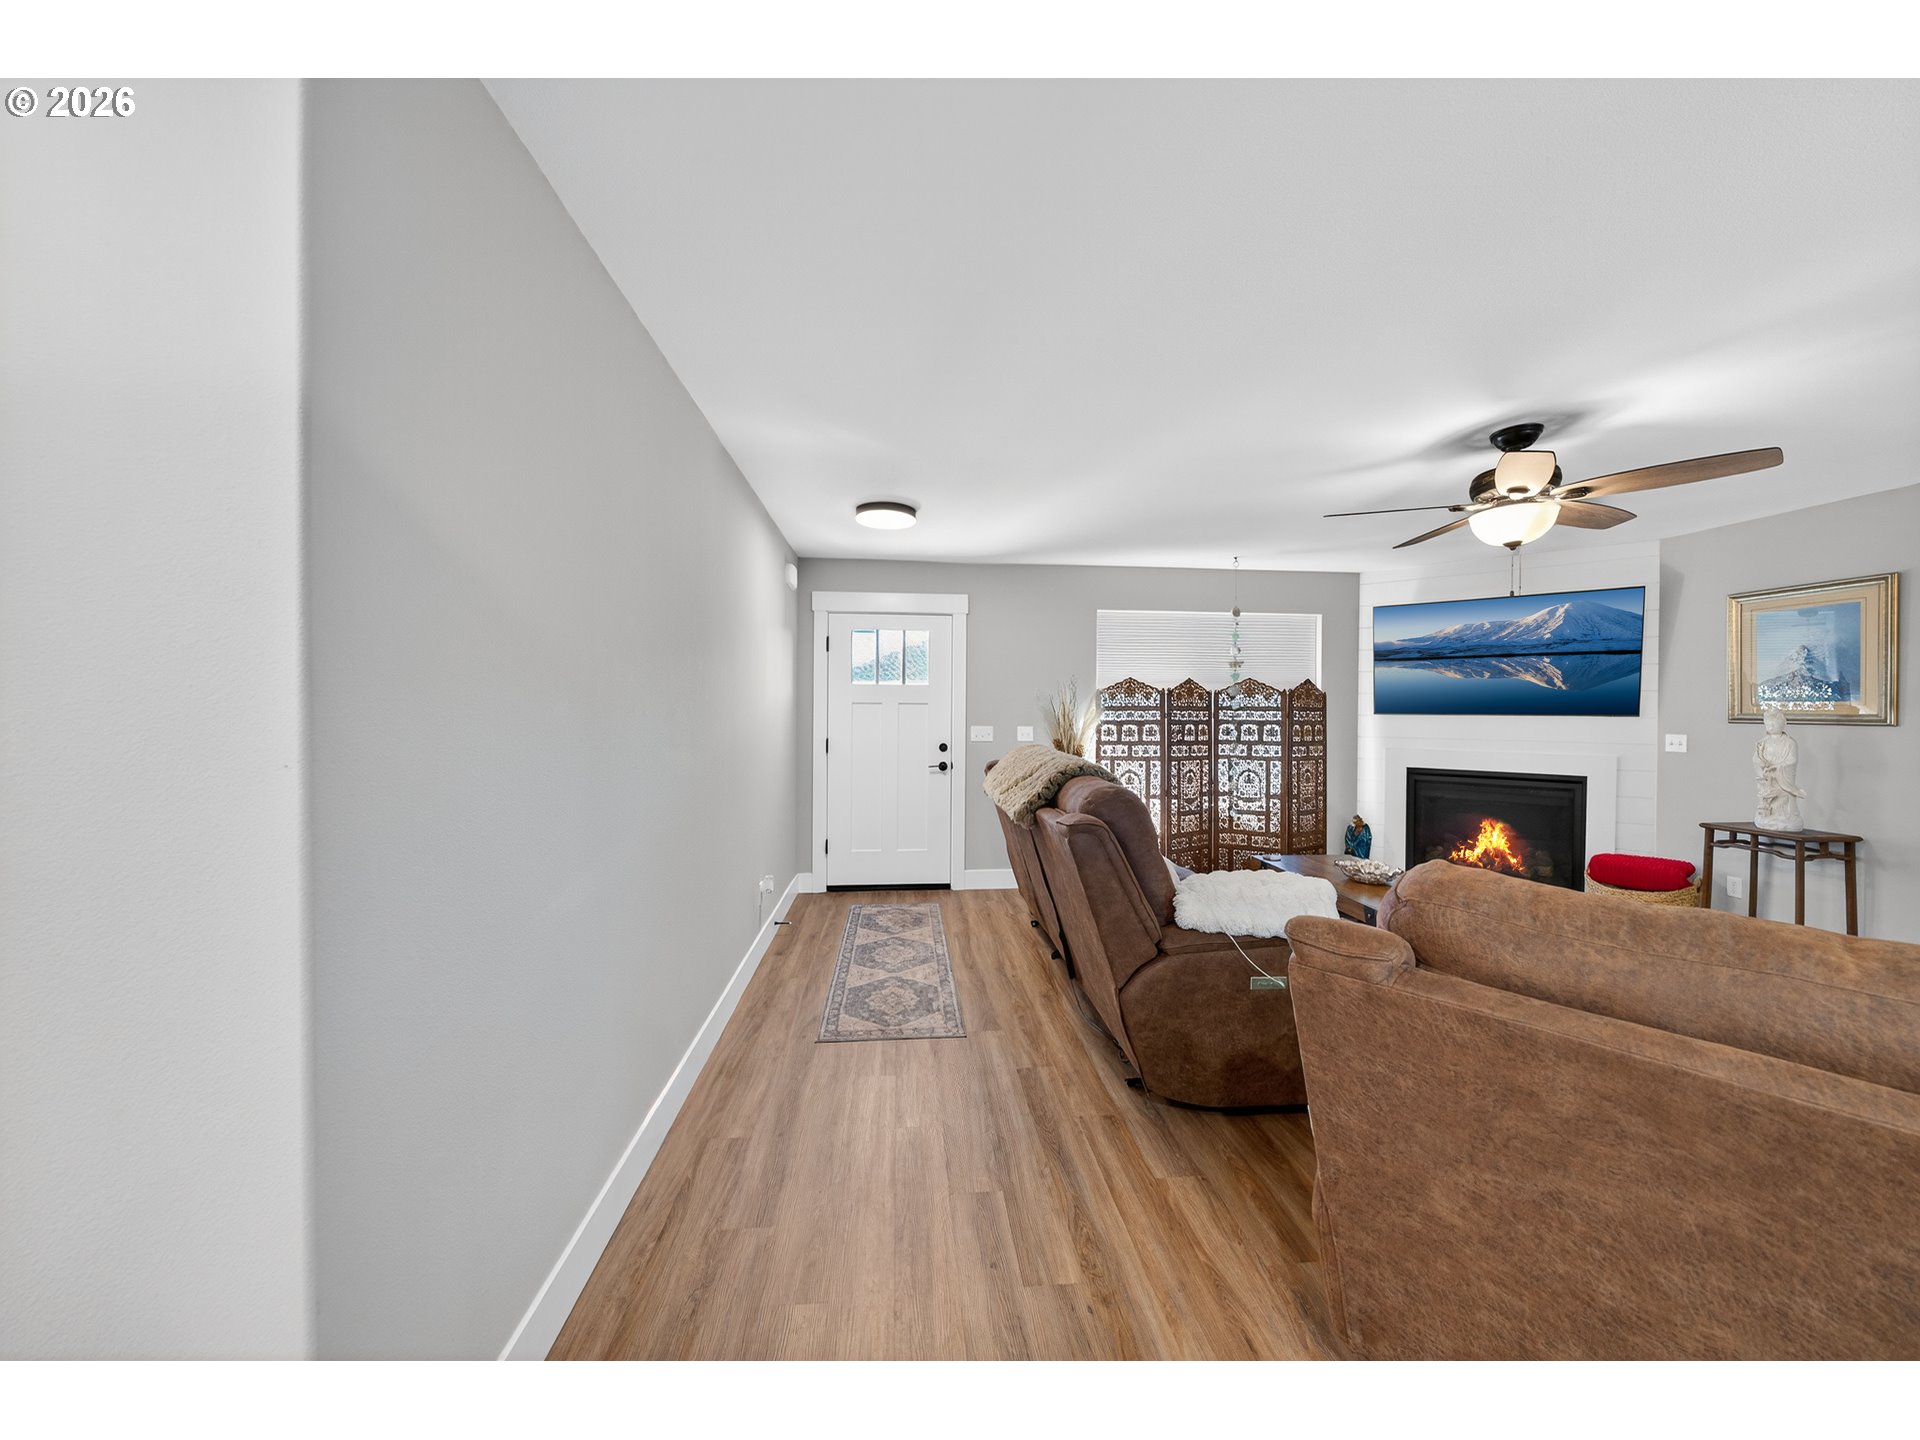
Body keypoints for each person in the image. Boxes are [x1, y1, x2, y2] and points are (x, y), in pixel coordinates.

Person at [1753, 707, 1807, 831]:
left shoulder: (1790, 743)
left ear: (1783, 724)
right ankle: (1768, 815)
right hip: (1768, 777)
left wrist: (1776, 767)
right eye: (1767, 723)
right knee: (1768, 798)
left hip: (1782, 777)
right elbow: (1756, 759)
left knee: (1784, 798)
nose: (1770, 726)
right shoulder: (1763, 742)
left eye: (1774, 723)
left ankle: (1787, 816)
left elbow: (1791, 760)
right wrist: (1763, 765)